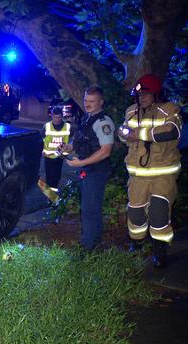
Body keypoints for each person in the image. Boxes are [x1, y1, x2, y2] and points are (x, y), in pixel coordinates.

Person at [118, 74, 182, 268]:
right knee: (135, 213)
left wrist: (140, 134)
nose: (142, 98)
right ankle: (136, 244)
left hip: (163, 173)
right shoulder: (130, 111)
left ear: (156, 94)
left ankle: (159, 251)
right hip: (137, 175)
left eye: (146, 94)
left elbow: (173, 132)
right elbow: (124, 133)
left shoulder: (169, 109)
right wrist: (123, 135)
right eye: (139, 95)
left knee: (159, 212)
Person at [59, 85, 115, 251]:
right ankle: (93, 243)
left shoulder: (103, 122)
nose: (87, 104)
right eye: (85, 100)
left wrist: (80, 163)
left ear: (101, 102)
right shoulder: (86, 118)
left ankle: (88, 247)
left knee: (90, 209)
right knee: (88, 208)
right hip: (87, 169)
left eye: (92, 101)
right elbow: (84, 143)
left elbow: (105, 151)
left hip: (97, 171)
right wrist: (68, 148)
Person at [41, 106, 73, 196]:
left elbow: (72, 139)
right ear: (51, 116)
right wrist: (41, 150)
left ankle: (51, 198)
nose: (57, 119)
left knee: (55, 177)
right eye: (55, 117)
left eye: (59, 117)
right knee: (49, 177)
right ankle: (50, 197)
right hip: (48, 156)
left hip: (60, 156)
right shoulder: (47, 126)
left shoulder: (67, 126)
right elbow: (41, 139)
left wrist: (68, 147)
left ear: (62, 116)